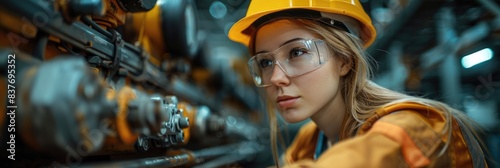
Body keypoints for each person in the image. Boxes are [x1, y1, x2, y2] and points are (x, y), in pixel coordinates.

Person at [228, 0, 489, 167]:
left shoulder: (418, 125)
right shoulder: (311, 140)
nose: (276, 78)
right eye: (265, 62)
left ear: (344, 60)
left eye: (296, 53)